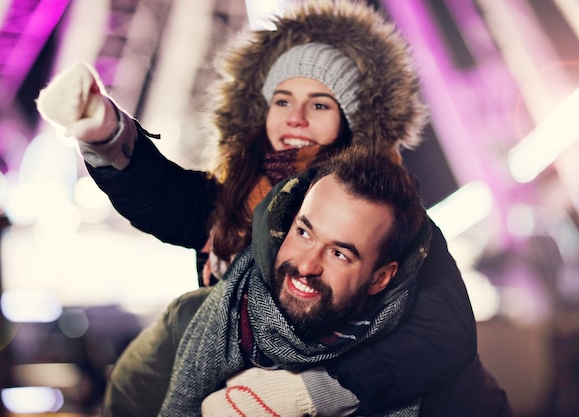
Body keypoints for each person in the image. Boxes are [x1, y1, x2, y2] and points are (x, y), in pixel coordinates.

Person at [36, 1, 477, 416]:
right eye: (282, 100)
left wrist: (313, 391)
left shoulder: (389, 220)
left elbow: (442, 332)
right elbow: (163, 197)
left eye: (319, 105)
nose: (295, 117)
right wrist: (104, 131)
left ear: (352, 121)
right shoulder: (235, 199)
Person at [161, 146, 511, 417]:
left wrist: (304, 395)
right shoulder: (229, 309)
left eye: (339, 254)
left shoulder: (441, 379)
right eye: (304, 232)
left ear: (380, 278)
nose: (308, 265)